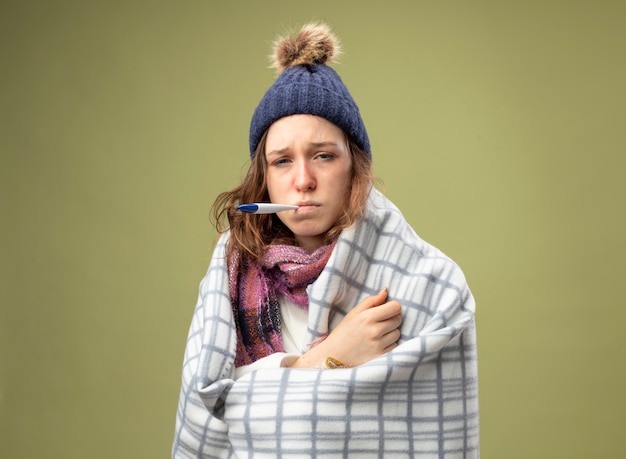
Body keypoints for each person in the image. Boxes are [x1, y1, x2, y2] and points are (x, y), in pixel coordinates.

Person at [172, 23, 479, 458]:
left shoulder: (432, 285)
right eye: (282, 161)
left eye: (323, 155)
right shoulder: (231, 271)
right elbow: (203, 416)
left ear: (355, 166)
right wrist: (326, 359)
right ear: (264, 179)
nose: (303, 181)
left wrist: (256, 395)